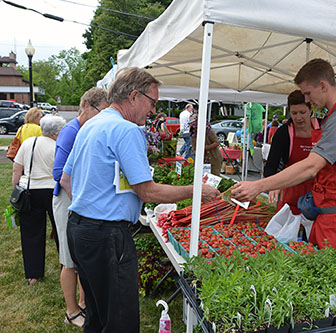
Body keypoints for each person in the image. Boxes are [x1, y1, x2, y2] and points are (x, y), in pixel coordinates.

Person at [60, 67, 219, 332]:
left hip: (79, 229)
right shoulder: (127, 130)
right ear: (134, 96)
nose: (153, 111)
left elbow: (66, 179)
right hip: (107, 236)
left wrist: (91, 207)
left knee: (97, 315)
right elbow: (148, 192)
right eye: (152, 102)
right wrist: (196, 190)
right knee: (120, 320)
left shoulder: (89, 126)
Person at [232, 59, 336, 249]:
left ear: (323, 86)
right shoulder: (335, 116)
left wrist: (258, 185)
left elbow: (312, 166)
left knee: (328, 270)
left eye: (307, 93)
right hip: (325, 208)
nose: (307, 100)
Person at [52, 87, 109, 328]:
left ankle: (85, 303)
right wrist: (79, 202)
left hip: (79, 200)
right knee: (69, 260)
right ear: (87, 106)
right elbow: (59, 173)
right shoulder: (70, 131)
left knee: (82, 258)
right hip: (68, 200)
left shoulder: (87, 129)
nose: (102, 117)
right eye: (100, 111)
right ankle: (72, 310)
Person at [11, 115, 66, 285]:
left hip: (30, 190)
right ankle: (66, 264)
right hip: (53, 190)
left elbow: (17, 168)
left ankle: (33, 274)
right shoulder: (59, 146)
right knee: (60, 229)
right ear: (57, 132)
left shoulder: (29, 143)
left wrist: (15, 189)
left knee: (31, 232)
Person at [264, 90, 319, 214]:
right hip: (291, 194)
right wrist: (273, 184)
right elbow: (271, 166)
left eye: (302, 112)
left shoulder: (324, 128)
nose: (298, 117)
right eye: (294, 113)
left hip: (318, 195)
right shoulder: (283, 133)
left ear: (311, 109)